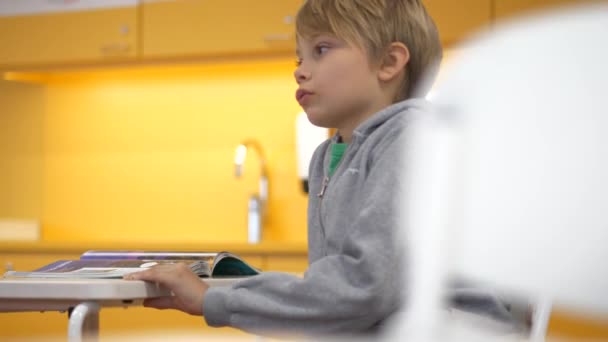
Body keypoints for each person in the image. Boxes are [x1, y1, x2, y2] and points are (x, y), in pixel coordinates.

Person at [125, 0, 516, 337]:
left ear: (390, 62)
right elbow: (340, 296)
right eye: (299, 57)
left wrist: (216, 299)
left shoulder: (411, 137)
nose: (300, 69)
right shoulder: (328, 155)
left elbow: (363, 287)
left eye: (322, 50)